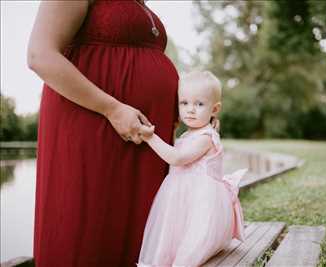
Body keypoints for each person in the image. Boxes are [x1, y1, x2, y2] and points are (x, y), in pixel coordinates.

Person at [27, 0, 179, 266]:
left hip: (140, 137)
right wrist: (113, 109)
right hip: (93, 126)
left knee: (138, 228)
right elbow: (40, 55)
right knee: (90, 228)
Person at [137, 71, 247, 267]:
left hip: (201, 199)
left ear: (215, 109)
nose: (190, 110)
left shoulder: (206, 137)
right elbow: (176, 150)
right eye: (184, 103)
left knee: (193, 241)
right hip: (182, 194)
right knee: (173, 232)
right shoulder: (190, 134)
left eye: (199, 104)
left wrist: (149, 137)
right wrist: (172, 131)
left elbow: (177, 158)